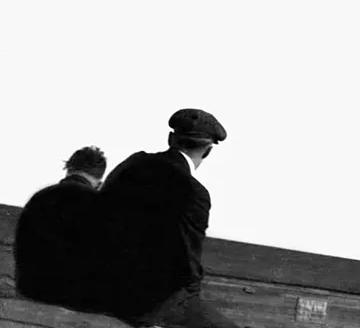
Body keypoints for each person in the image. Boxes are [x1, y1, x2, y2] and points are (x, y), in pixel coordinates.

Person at [100, 108, 238, 328]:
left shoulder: (133, 164)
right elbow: (188, 263)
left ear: (170, 138)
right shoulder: (195, 194)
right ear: (208, 151)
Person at [14, 146, 108, 311]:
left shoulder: (40, 197)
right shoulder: (100, 205)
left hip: (31, 290)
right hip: (75, 299)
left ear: (69, 168)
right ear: (99, 182)